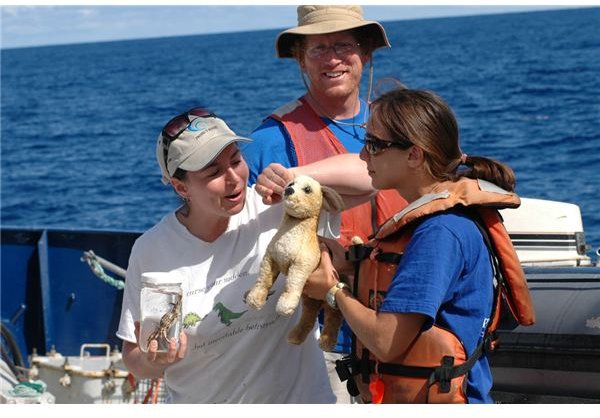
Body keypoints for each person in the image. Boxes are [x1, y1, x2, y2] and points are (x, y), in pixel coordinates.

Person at [116, 108, 374, 403]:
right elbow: (133, 356)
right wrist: (154, 361)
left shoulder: (277, 207)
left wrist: (293, 175)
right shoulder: (153, 251)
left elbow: (371, 176)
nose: (233, 178)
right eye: (213, 172)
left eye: (236, 160)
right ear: (180, 186)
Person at [303, 86, 525, 403]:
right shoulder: (437, 223)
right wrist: (351, 271)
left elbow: (386, 340)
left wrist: (332, 291)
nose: (363, 155)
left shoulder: (440, 233)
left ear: (414, 154)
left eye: (374, 145)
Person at [239, 5, 407, 402]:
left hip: (406, 325)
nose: (332, 59)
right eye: (317, 49)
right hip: (326, 346)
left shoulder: (400, 127)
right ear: (299, 59)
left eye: (343, 45)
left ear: (365, 53)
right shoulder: (267, 143)